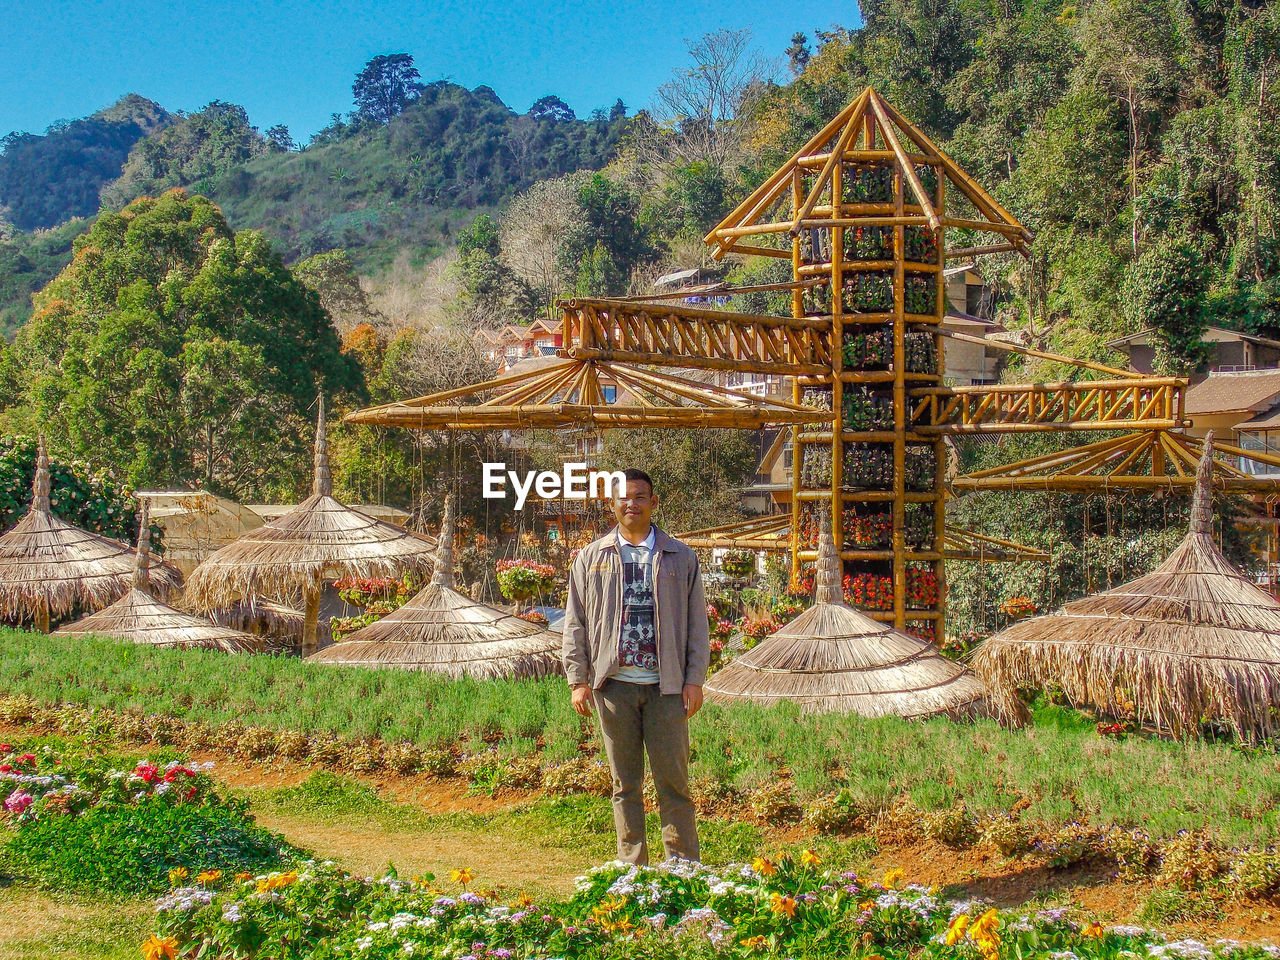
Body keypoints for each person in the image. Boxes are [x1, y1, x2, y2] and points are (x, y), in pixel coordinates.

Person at [562, 468, 709, 865]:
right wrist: (578, 680)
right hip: (614, 688)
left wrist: (694, 680)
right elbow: (575, 621)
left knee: (674, 784)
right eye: (624, 498)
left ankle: (683, 867)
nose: (632, 504)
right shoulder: (592, 558)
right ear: (612, 504)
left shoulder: (680, 556)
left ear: (653, 502)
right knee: (624, 784)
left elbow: (698, 624)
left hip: (667, 688)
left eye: (640, 496)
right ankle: (632, 867)